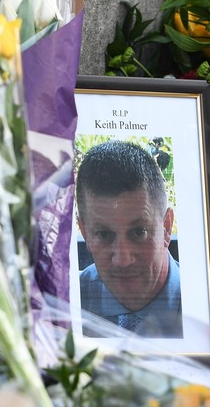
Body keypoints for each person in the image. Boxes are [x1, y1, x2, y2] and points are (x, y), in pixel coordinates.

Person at [75, 140, 182, 338]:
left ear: (167, 227)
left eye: (139, 232)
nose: (122, 261)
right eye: (104, 234)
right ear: (84, 232)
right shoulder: (65, 304)